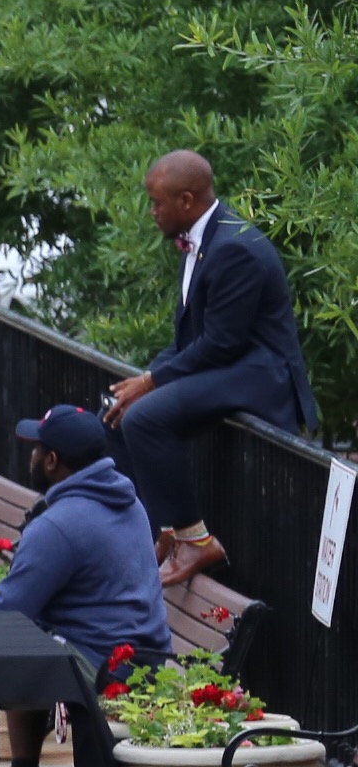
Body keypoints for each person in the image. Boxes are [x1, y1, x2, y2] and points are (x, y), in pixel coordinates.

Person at [0, 404, 173, 767]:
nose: (31, 456)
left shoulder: (58, 526)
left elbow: (7, 613)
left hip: (99, 670)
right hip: (144, 656)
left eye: (36, 449)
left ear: (51, 461)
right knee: (35, 642)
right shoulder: (128, 502)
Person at [103, 148, 319, 585]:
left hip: (261, 377)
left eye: (157, 203)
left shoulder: (234, 249)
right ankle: (162, 529)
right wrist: (140, 382)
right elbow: (190, 339)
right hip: (229, 365)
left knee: (144, 418)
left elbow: (221, 344)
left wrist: (152, 381)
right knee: (116, 411)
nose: (152, 212)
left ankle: (196, 540)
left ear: (186, 201)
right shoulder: (203, 240)